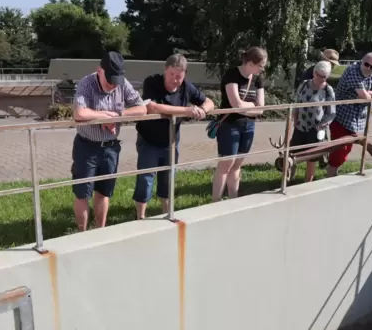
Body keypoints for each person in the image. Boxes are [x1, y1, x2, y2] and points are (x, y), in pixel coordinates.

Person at [72, 51, 146, 231]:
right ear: (100, 71)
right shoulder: (86, 83)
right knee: (82, 193)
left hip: (110, 149)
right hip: (86, 146)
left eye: (116, 82)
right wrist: (104, 116)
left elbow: (142, 108)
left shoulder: (122, 84)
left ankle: (100, 230)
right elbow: (79, 113)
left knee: (104, 192)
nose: (113, 86)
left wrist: (119, 116)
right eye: (109, 80)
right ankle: (82, 234)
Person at [134, 53, 214, 219]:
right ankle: (140, 217)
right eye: (171, 74)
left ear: (185, 74)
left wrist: (202, 110)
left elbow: (209, 102)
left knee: (168, 178)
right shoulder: (152, 82)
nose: (175, 79)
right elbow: (152, 107)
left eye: (179, 76)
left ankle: (167, 213)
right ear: (165, 70)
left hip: (171, 142)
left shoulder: (187, 87)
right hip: (149, 140)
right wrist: (187, 110)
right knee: (145, 179)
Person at [212, 47, 268, 202]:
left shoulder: (258, 79)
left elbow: (261, 108)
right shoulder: (232, 75)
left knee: (237, 165)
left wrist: (245, 108)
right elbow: (235, 104)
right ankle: (215, 202)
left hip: (249, 126)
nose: (262, 69)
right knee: (225, 165)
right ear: (250, 63)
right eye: (261, 66)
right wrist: (251, 107)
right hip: (229, 125)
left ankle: (233, 200)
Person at [327, 53, 372, 177]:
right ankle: (330, 176)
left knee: (346, 149)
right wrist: (368, 95)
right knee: (339, 151)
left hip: (357, 120)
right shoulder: (352, 71)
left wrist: (368, 93)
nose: (369, 68)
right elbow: (365, 97)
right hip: (341, 117)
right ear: (361, 61)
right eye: (366, 64)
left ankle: (333, 174)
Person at [289, 61, 336, 182]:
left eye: (325, 77)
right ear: (314, 73)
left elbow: (331, 113)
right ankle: (288, 179)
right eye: (319, 75)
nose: (322, 79)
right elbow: (296, 104)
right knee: (292, 154)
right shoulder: (304, 84)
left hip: (316, 130)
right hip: (300, 126)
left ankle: (307, 184)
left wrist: (322, 126)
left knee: (312, 159)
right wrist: (295, 120)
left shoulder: (328, 90)